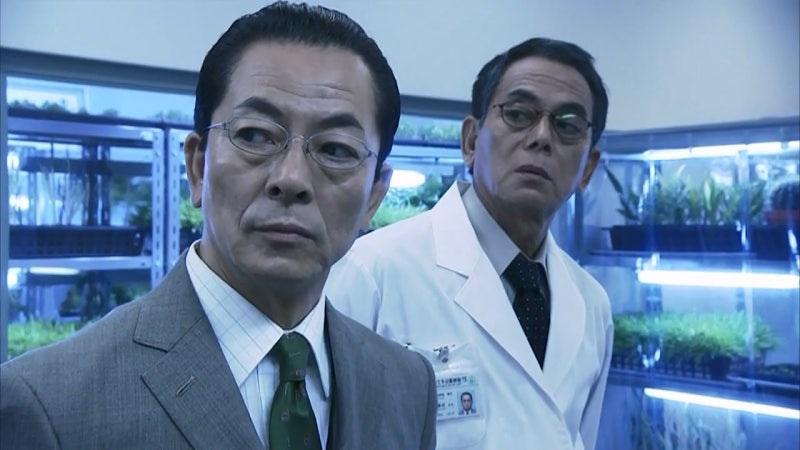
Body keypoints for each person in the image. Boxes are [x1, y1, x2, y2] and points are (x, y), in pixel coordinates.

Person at [0, 3, 437, 449]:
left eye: (336, 150)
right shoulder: (50, 405)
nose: (291, 179)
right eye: (255, 136)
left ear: (374, 196)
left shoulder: (408, 386)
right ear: (198, 167)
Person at [326, 37, 612, 450]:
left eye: (567, 125)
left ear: (588, 168)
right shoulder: (372, 271)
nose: (541, 137)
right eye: (518, 114)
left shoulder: (592, 305)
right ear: (471, 141)